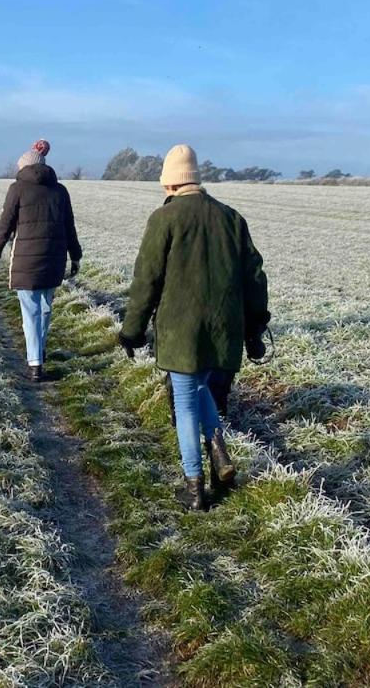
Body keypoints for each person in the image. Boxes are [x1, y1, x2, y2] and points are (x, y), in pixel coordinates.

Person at [117, 144, 270, 511]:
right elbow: (255, 279)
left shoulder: (164, 219)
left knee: (185, 403)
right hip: (223, 329)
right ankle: (218, 451)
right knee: (202, 389)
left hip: (181, 332)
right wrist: (254, 330)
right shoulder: (232, 218)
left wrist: (132, 331)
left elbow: (146, 281)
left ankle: (194, 487)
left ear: (170, 182)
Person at [0, 139, 82, 383]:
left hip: (26, 261)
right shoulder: (60, 191)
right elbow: (69, 227)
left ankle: (34, 364)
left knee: (30, 311)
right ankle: (39, 351)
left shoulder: (17, 189)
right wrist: (76, 256)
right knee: (45, 308)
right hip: (54, 259)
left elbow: (5, 225)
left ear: (24, 167)